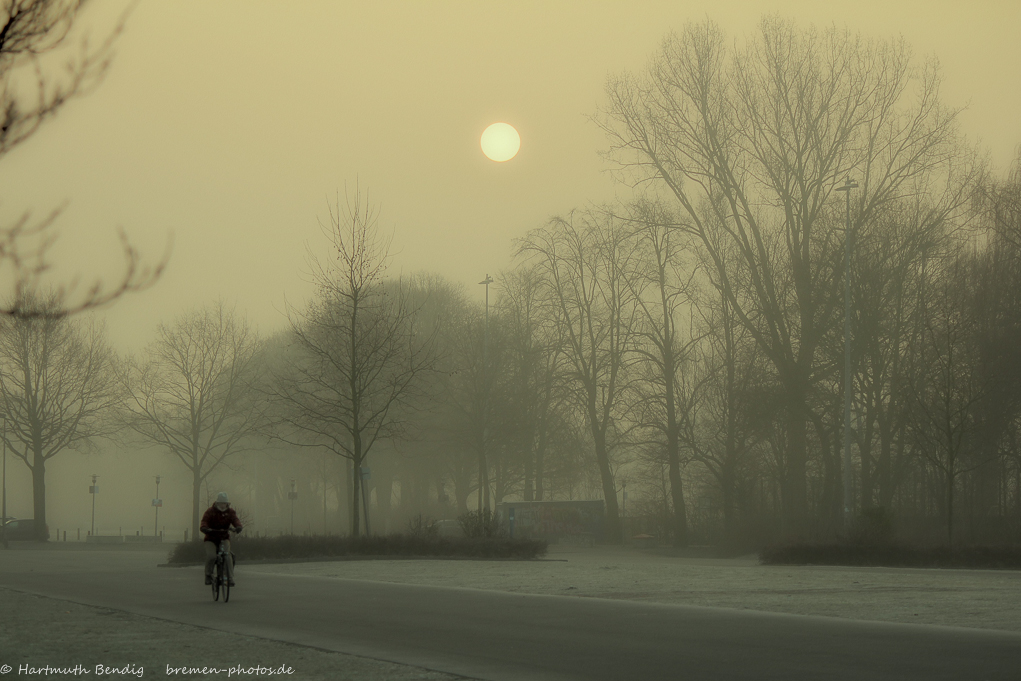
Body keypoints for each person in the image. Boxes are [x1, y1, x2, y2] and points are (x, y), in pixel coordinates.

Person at [200, 492, 243, 586]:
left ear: (227, 503)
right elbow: (204, 521)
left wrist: (238, 526)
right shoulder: (210, 511)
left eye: (225, 503)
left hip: (224, 538)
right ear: (217, 503)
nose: (223, 505)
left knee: (227, 556)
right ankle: (208, 575)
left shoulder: (230, 512)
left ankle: (229, 578)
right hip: (211, 538)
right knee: (212, 556)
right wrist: (205, 528)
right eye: (221, 503)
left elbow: (235, 520)